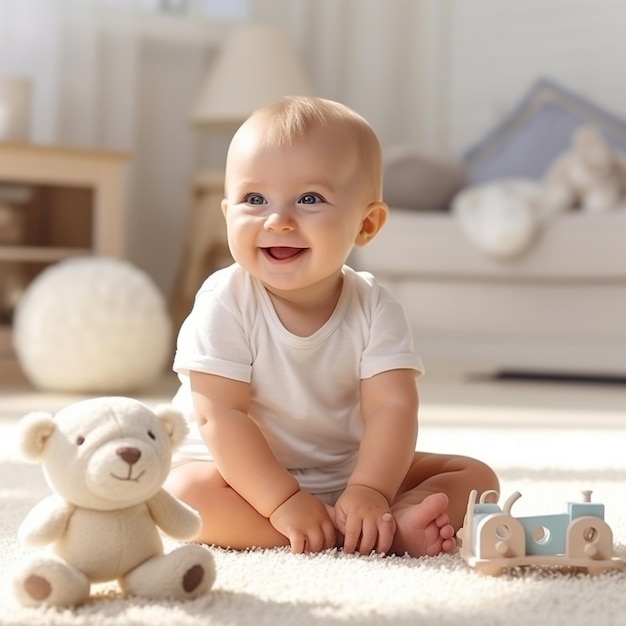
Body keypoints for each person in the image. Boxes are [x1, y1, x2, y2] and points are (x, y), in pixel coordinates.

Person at [165, 96, 499, 557]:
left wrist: (372, 490)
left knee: (475, 477)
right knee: (184, 496)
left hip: (349, 473)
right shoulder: (225, 300)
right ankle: (349, 536)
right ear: (228, 215)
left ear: (366, 224)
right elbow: (220, 415)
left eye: (309, 199)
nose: (277, 220)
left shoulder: (374, 306)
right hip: (239, 477)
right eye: (254, 199)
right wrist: (281, 500)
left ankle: (380, 518)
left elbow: (392, 409)